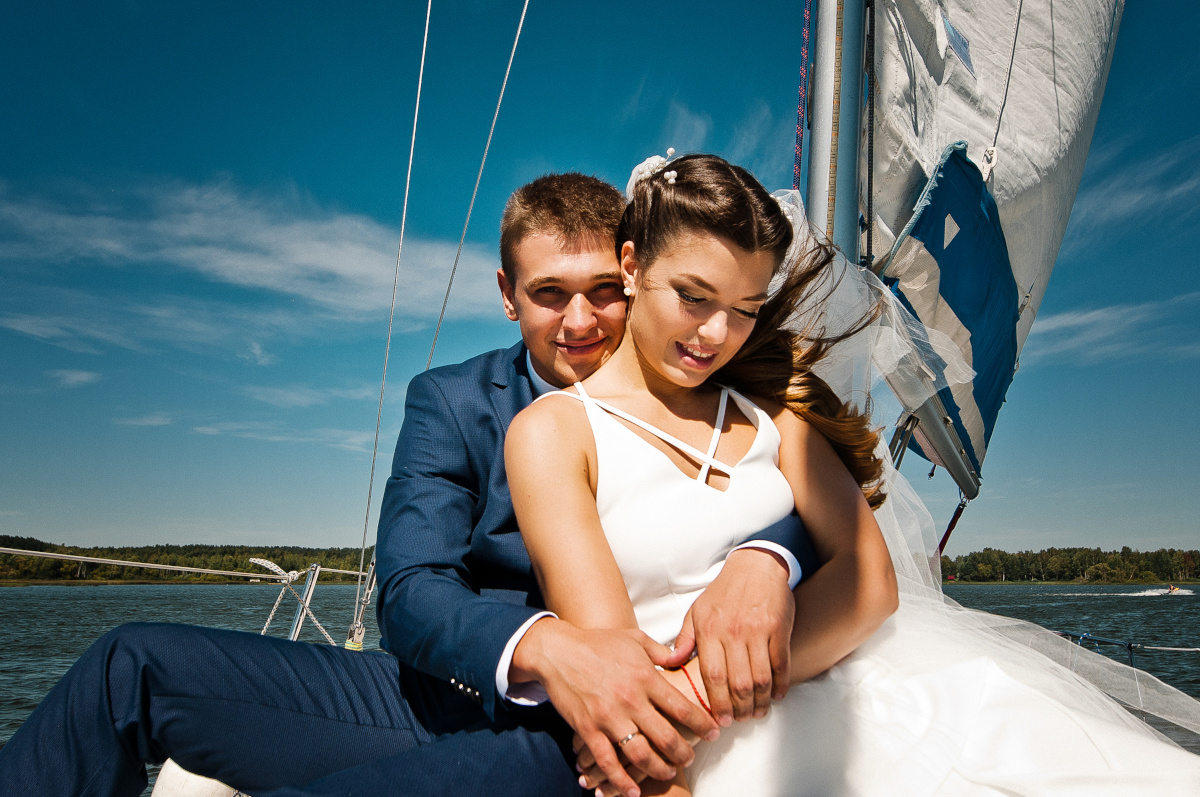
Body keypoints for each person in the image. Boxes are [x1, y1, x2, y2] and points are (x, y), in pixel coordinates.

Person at [0, 172, 853, 797]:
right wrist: (548, 647)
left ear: (632, 277)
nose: (583, 321)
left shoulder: (723, 395)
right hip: (450, 694)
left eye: (601, 292)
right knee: (130, 663)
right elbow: (410, 591)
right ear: (508, 296)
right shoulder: (451, 401)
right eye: (551, 294)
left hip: (574, 737)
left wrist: (765, 556)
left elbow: (775, 492)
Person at [505, 153, 1200, 796]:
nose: (717, 334)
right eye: (694, 296)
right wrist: (665, 729)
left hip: (871, 697)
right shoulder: (554, 433)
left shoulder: (777, 415)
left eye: (745, 310)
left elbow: (871, 581)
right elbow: (614, 673)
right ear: (630, 265)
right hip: (718, 760)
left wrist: (707, 689)